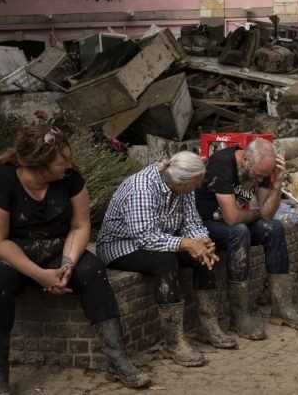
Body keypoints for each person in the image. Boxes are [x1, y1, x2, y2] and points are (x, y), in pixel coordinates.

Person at [0, 125, 149, 395]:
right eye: (62, 160)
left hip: (55, 249)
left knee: (92, 270)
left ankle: (117, 357)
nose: (69, 164)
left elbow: (80, 226)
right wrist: (39, 274)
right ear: (40, 165)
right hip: (9, 255)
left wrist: (66, 265)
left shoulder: (71, 179)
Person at [97, 152, 235, 367]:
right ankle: (173, 342)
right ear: (183, 181)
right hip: (123, 246)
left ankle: (209, 326)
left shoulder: (183, 186)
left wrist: (202, 240)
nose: (199, 186)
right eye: (196, 182)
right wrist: (187, 244)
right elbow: (146, 237)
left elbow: (192, 221)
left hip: (163, 240)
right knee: (165, 261)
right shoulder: (142, 188)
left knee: (204, 256)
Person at [195, 139, 298, 339]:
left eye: (263, 176)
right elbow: (232, 218)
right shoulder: (223, 163)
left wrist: (276, 185)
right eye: (257, 175)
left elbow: (266, 214)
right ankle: (240, 315)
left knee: (274, 228)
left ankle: (281, 306)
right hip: (206, 222)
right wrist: (255, 213)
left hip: (237, 220)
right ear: (245, 159)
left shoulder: (264, 169)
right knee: (240, 231)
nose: (259, 179)